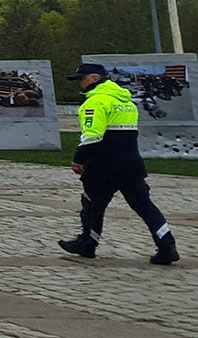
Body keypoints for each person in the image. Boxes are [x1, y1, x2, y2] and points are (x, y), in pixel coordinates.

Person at [58, 62, 179, 265]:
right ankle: (167, 245)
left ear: (95, 78)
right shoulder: (126, 101)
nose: (80, 84)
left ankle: (88, 244)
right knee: (144, 205)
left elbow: (93, 136)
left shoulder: (95, 102)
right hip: (131, 163)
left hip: (103, 165)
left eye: (82, 78)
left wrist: (79, 159)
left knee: (92, 204)